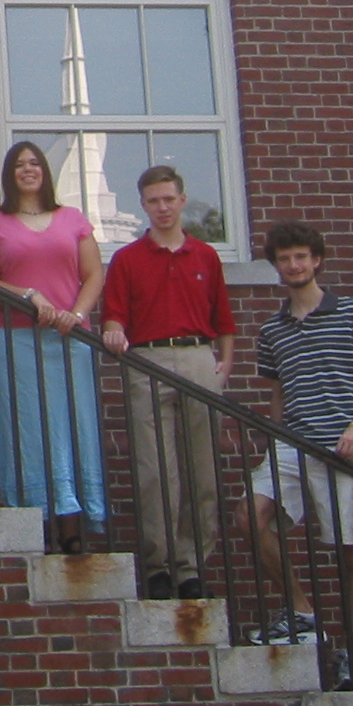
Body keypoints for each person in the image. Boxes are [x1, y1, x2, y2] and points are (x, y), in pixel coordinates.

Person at [242, 221, 353, 693]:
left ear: (317, 260)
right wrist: (274, 438)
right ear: (276, 266)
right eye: (285, 259)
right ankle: (302, 611)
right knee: (249, 516)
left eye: (301, 257)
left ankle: (349, 656)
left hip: (347, 443)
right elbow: (279, 392)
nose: (294, 265)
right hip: (294, 442)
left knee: (351, 552)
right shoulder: (273, 329)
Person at [99, 164, 236, 600]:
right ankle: (158, 565)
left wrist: (225, 364)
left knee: (202, 470)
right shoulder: (127, 259)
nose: (162, 207)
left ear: (182, 201)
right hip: (147, 358)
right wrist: (114, 331)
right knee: (154, 470)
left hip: (198, 357)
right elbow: (114, 314)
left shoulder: (206, 256)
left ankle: (191, 565)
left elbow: (223, 318)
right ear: (143, 205)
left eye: (169, 199)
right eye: (154, 201)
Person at [0, 142, 107, 552]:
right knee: (25, 425)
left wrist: (77, 315)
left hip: (68, 339)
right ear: (8, 175)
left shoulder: (73, 219)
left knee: (71, 424)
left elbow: (94, 274)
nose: (27, 170)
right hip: (12, 339)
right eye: (19, 165)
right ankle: (34, 519)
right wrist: (29, 295)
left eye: (34, 163)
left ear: (45, 170)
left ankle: (72, 525)